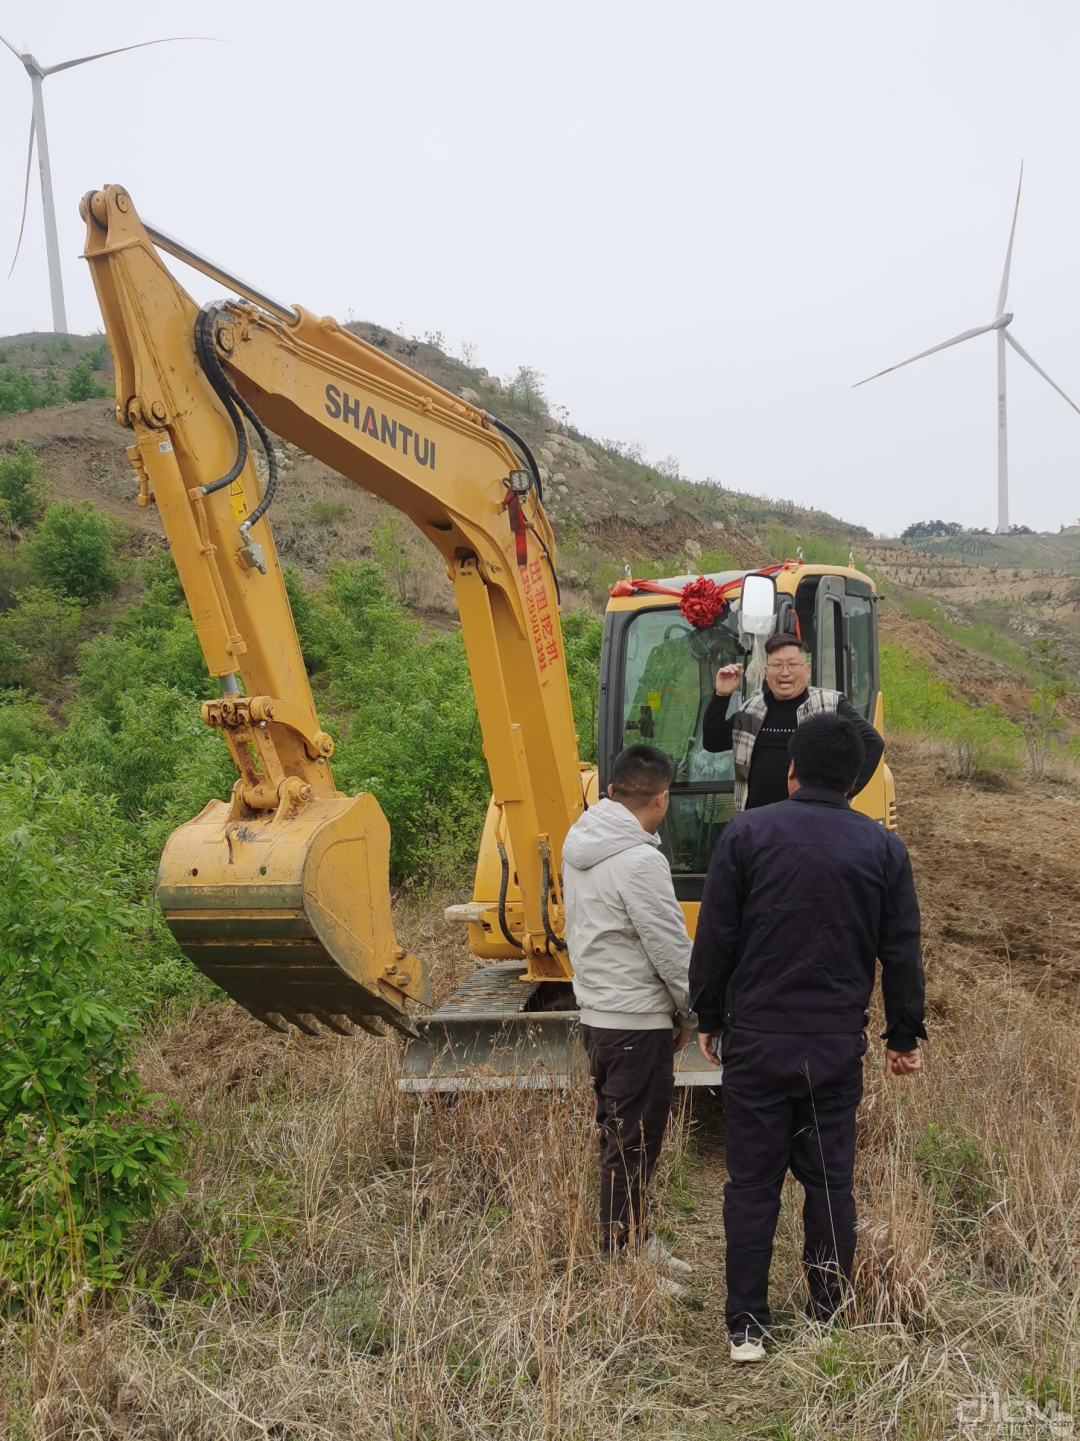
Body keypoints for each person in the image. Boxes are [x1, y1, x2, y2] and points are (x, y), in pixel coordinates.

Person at [689, 713, 925, 1363]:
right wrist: (903, 1033)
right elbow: (901, 949)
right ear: (854, 778)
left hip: (757, 1042)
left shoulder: (746, 834)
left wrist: (708, 1017)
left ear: (791, 771)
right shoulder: (882, 849)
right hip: (833, 1047)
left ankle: (746, 1326)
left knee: (752, 1184)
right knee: (828, 1185)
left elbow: (715, 940)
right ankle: (828, 1312)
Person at [563, 743, 696, 1294]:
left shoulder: (582, 844)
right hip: (635, 1021)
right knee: (632, 1142)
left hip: (600, 1015)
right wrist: (694, 1008)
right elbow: (670, 948)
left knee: (623, 1136)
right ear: (661, 797)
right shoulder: (640, 860)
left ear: (611, 788)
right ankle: (624, 1261)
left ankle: (636, 1238)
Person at [702, 633, 884, 811]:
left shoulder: (830, 704)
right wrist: (721, 696)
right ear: (766, 672)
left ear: (807, 669)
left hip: (812, 822)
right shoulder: (751, 710)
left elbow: (873, 743)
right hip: (758, 824)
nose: (785, 672)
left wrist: (840, 796)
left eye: (792, 664)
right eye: (777, 665)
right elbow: (713, 742)